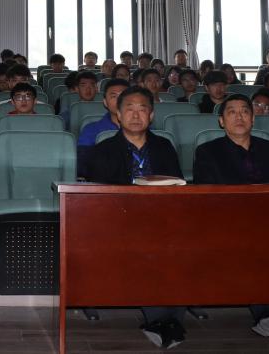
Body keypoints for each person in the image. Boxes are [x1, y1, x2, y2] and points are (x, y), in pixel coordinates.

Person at [193, 93, 269, 353]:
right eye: (232, 112)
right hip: (229, 220)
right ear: (221, 121)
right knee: (252, 245)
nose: (239, 117)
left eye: (245, 111)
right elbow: (207, 196)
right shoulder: (207, 151)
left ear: (253, 119)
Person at [87, 86, 186, 348]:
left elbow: (178, 186)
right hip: (120, 220)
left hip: (163, 219)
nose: (135, 115)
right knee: (145, 248)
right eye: (129, 109)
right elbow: (99, 198)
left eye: (142, 109)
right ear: (118, 115)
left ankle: (170, 320)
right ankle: (162, 321)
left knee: (183, 247)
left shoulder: (164, 147)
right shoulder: (103, 150)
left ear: (151, 115)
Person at [76, 79, 130, 179]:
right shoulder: (91, 129)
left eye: (123, 96)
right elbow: (82, 165)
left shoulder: (145, 130)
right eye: (114, 96)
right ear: (105, 102)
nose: (119, 101)